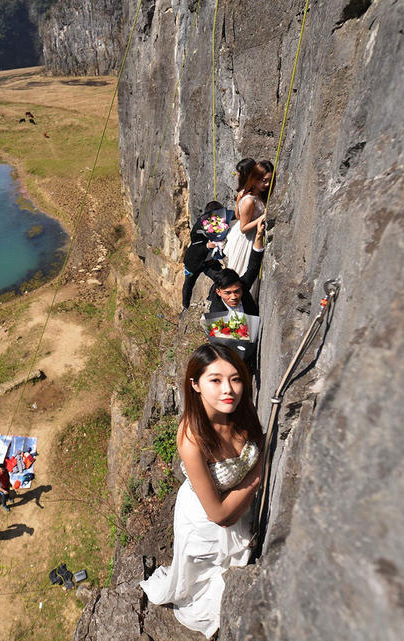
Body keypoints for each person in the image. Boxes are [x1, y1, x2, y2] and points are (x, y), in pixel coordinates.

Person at [139, 344, 264, 638]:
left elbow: (258, 440)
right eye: (215, 380)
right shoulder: (191, 437)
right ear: (195, 384)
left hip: (238, 503)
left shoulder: (240, 411)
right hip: (205, 518)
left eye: (235, 378)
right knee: (203, 582)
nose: (228, 389)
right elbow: (218, 514)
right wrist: (257, 476)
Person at [223, 159, 272, 276]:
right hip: (247, 239)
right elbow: (243, 227)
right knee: (242, 273)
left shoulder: (257, 194)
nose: (267, 184)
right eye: (264, 180)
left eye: (269, 180)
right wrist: (262, 217)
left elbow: (239, 215)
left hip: (252, 235)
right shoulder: (249, 200)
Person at [209, 217, 266, 316]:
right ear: (218, 292)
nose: (233, 297)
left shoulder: (243, 286)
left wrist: (259, 235)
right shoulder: (216, 312)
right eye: (227, 293)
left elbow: (253, 266)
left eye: (236, 291)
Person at [181, 201, 229, 311]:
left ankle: (210, 300)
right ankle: (185, 306)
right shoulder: (200, 226)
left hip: (209, 262)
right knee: (188, 284)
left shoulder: (219, 222)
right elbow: (196, 245)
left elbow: (231, 216)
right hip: (194, 262)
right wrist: (208, 245)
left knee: (220, 279)